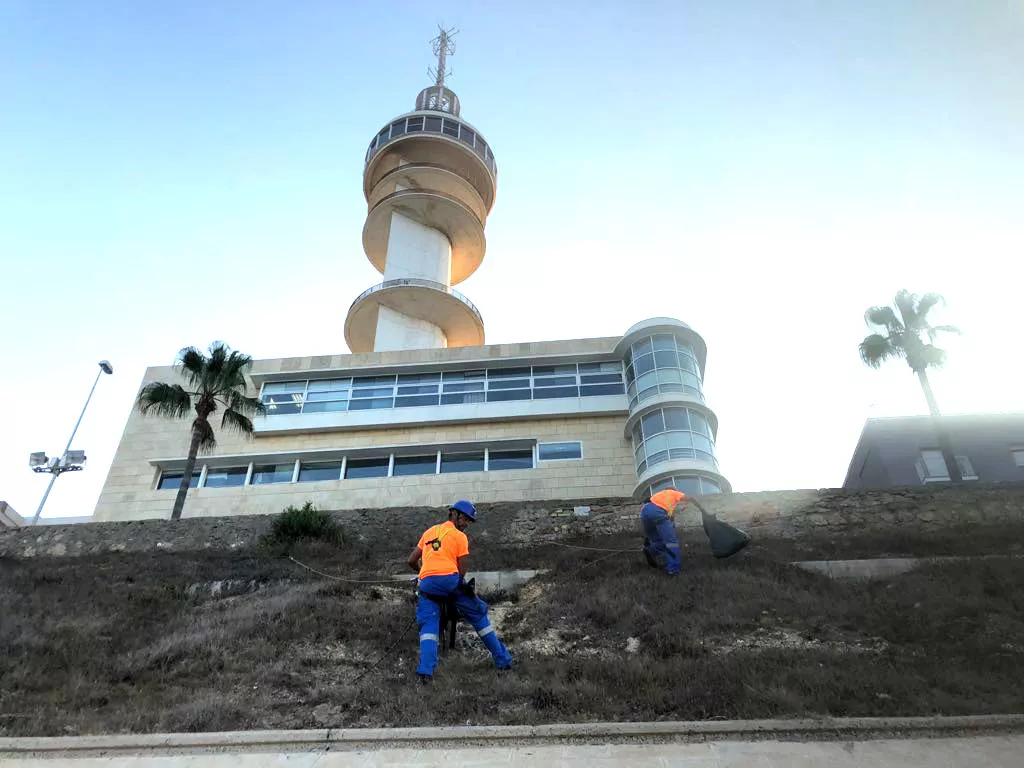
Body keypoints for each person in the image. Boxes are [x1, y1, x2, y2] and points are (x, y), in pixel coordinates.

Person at [407, 499, 513, 682]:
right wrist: (455, 585)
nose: (466, 524)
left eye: (469, 521)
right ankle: (503, 661)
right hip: (450, 581)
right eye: (465, 520)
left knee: (428, 626)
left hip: (426, 584)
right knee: (479, 615)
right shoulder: (459, 537)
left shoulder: (430, 531)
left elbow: (411, 560)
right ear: (454, 515)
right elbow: (462, 569)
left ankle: (425, 672)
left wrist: (425, 573)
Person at [641, 488, 687, 575]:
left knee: (660, 542)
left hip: (645, 514)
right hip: (658, 514)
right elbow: (668, 518)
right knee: (671, 543)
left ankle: (650, 550)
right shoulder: (671, 497)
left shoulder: (658, 499)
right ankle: (673, 570)